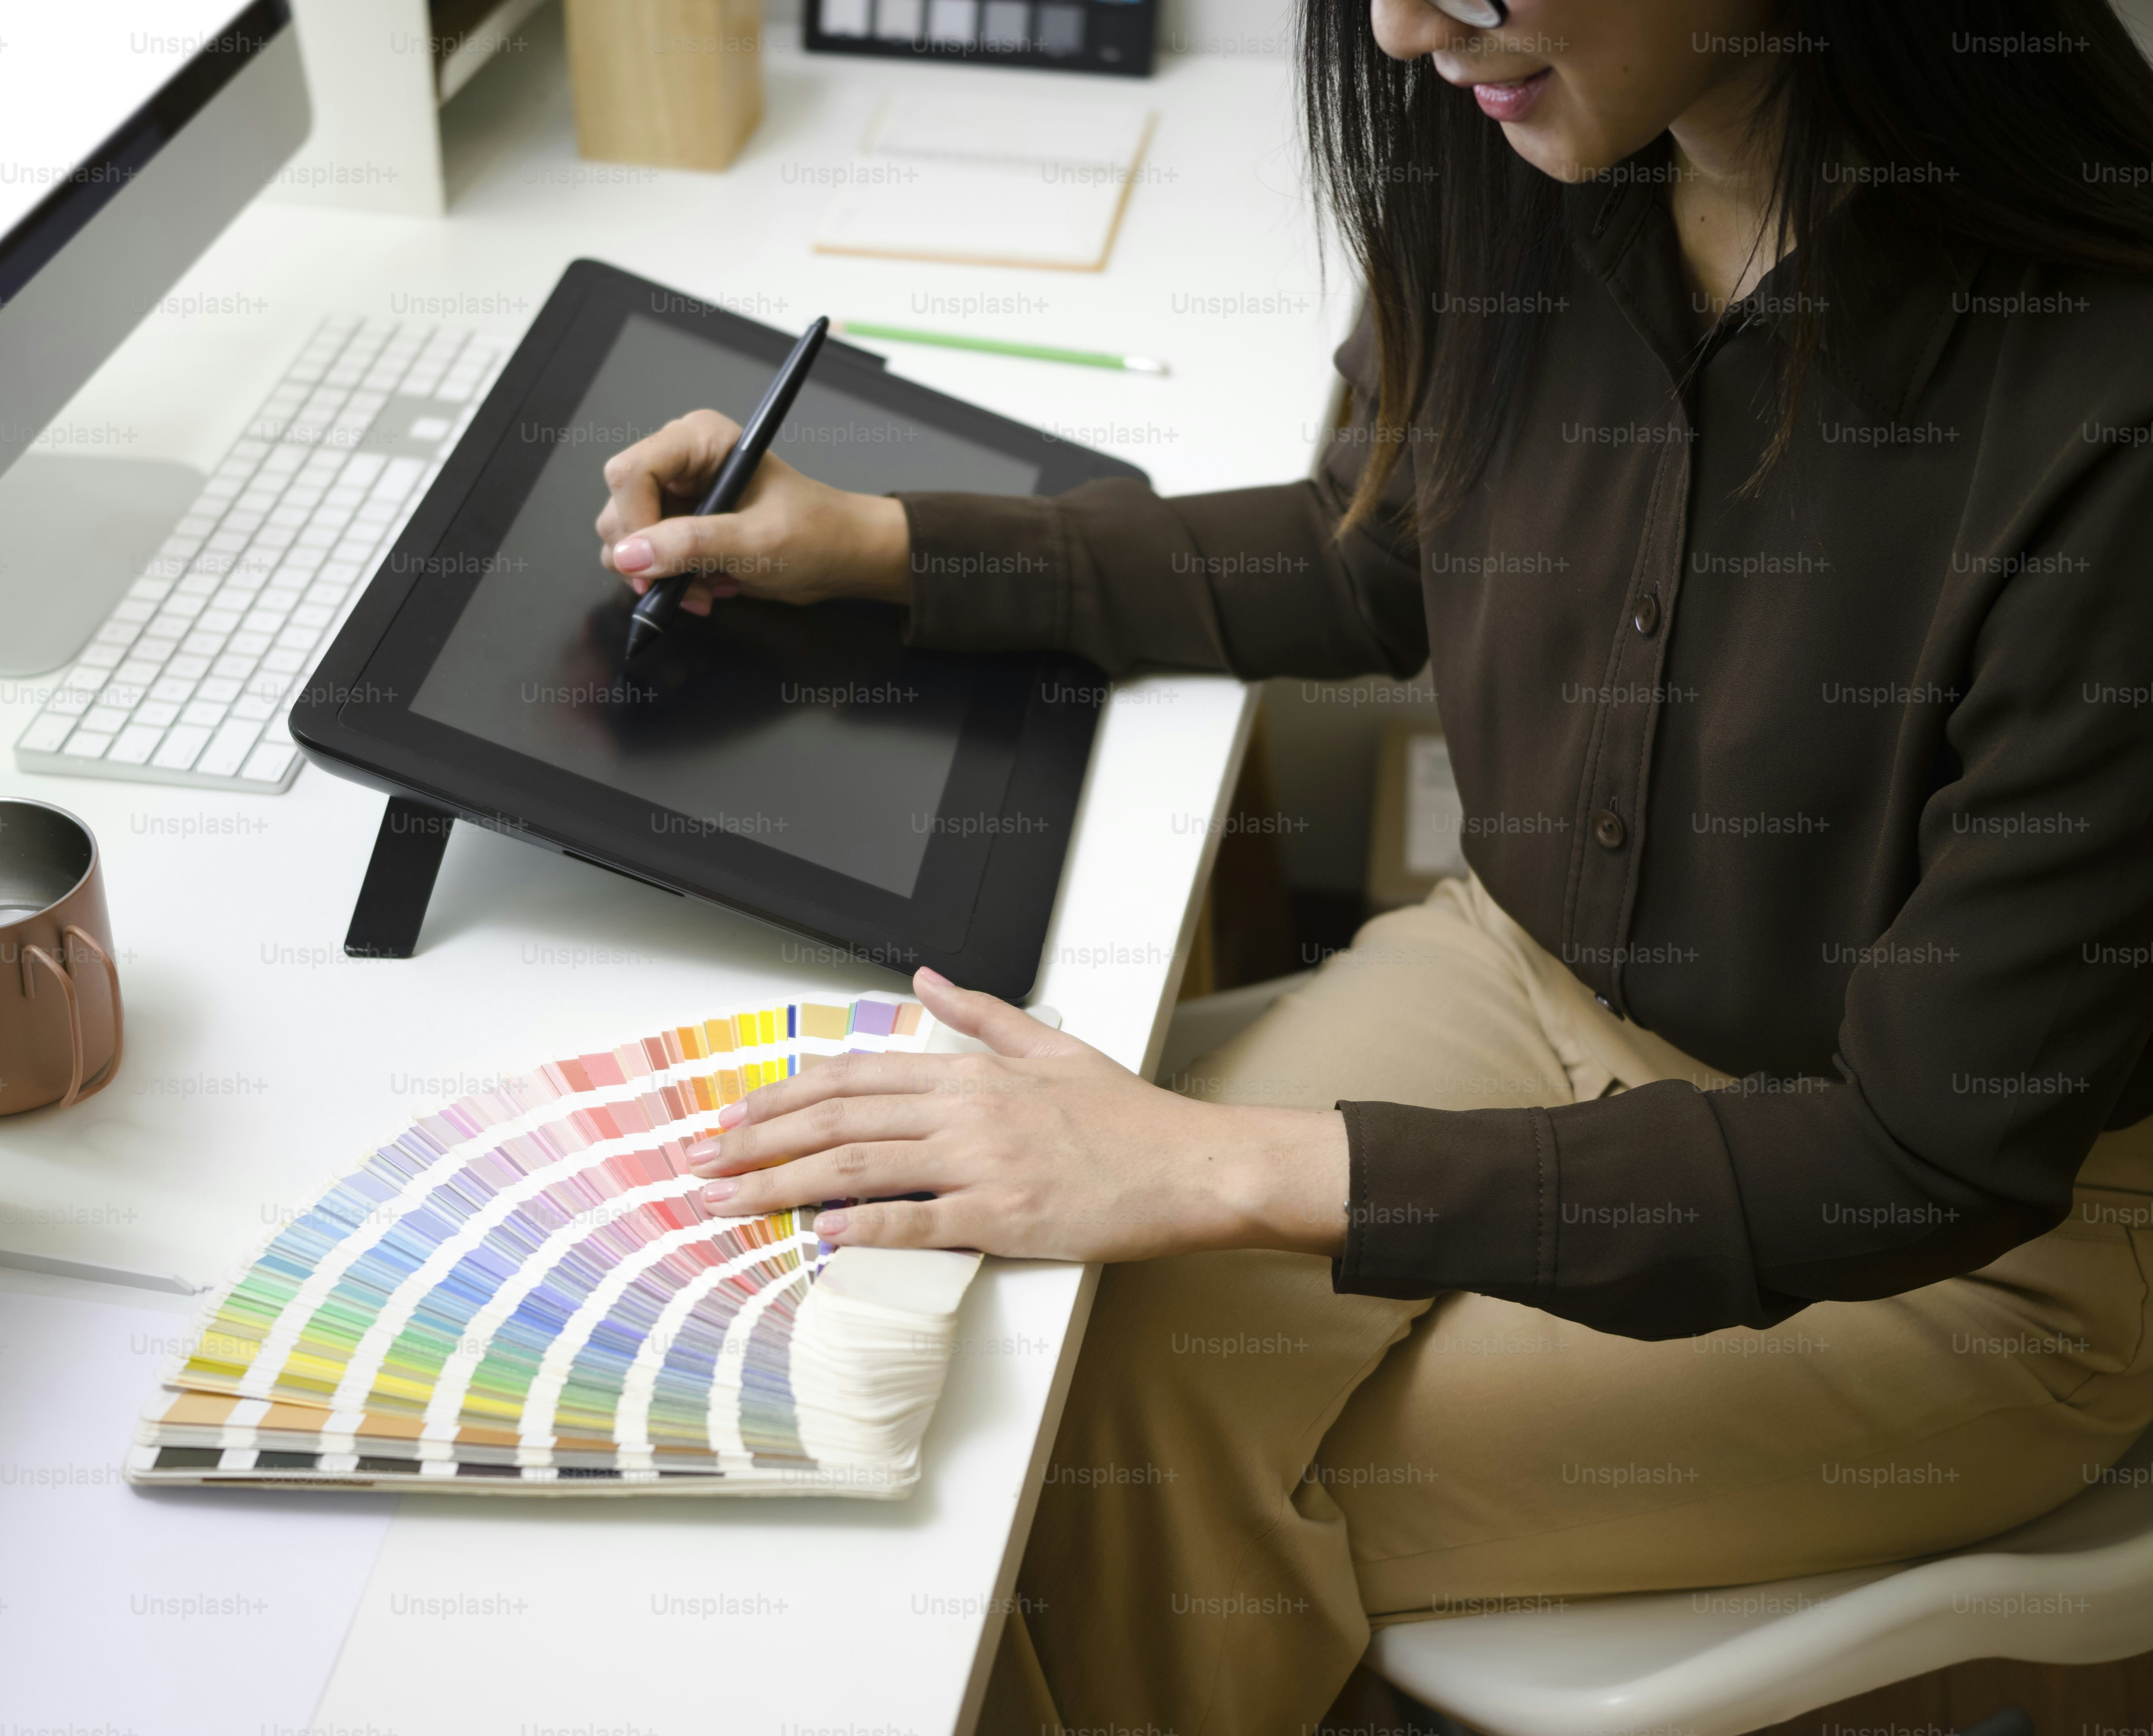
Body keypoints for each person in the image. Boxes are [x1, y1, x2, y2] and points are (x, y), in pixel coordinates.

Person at [595, 0, 2153, 1728]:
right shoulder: (1514, 152)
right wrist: (887, 548)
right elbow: (1368, 554)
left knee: (1112, 1481)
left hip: (1967, 1244)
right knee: (1046, 1355)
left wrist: (1220, 1164)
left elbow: (1925, 1155)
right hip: (1520, 970)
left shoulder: (2102, 399)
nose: (1409, 31)